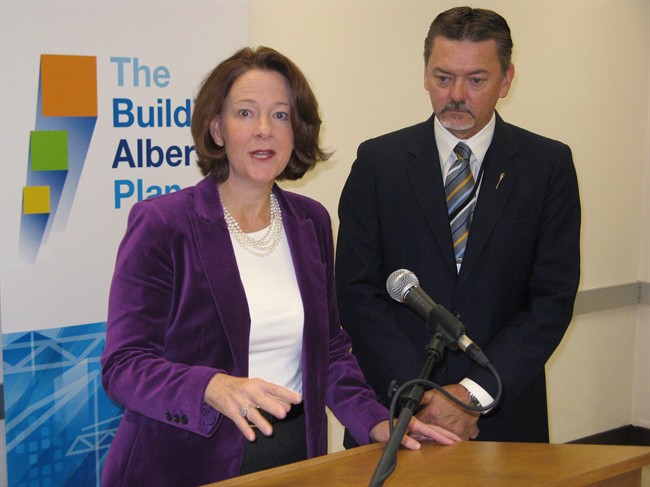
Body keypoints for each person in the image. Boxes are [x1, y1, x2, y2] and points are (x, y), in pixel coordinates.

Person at [100, 46, 460, 487]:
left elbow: (329, 351)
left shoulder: (311, 221)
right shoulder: (164, 223)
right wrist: (211, 386)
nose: (264, 130)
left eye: (280, 115)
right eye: (245, 113)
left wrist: (375, 421)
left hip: (293, 457)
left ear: (297, 130)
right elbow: (123, 366)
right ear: (216, 128)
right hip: (182, 463)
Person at [336, 6, 580, 445]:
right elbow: (356, 292)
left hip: (502, 414)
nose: (457, 95)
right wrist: (422, 394)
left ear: (506, 80)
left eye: (476, 80)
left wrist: (470, 395)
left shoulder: (547, 166)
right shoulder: (378, 163)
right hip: (398, 411)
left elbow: (551, 300)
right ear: (425, 75)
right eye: (443, 77)